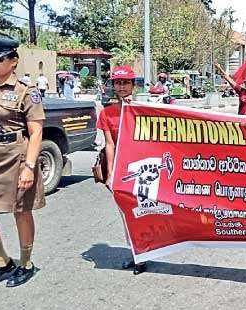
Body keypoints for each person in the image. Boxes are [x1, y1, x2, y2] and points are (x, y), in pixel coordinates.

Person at [0, 36, 46, 287]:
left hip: (16, 156)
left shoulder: (26, 91)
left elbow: (36, 132)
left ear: (13, 61)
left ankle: (26, 263)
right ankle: (2, 261)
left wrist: (29, 167)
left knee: (21, 212)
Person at [96, 65, 147, 275]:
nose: (122, 86)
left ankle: (148, 250)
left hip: (143, 171)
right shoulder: (107, 113)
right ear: (113, 86)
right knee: (127, 214)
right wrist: (110, 175)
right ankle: (137, 254)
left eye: (126, 82)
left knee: (144, 213)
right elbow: (110, 144)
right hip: (120, 171)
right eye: (118, 83)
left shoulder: (144, 110)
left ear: (133, 85)